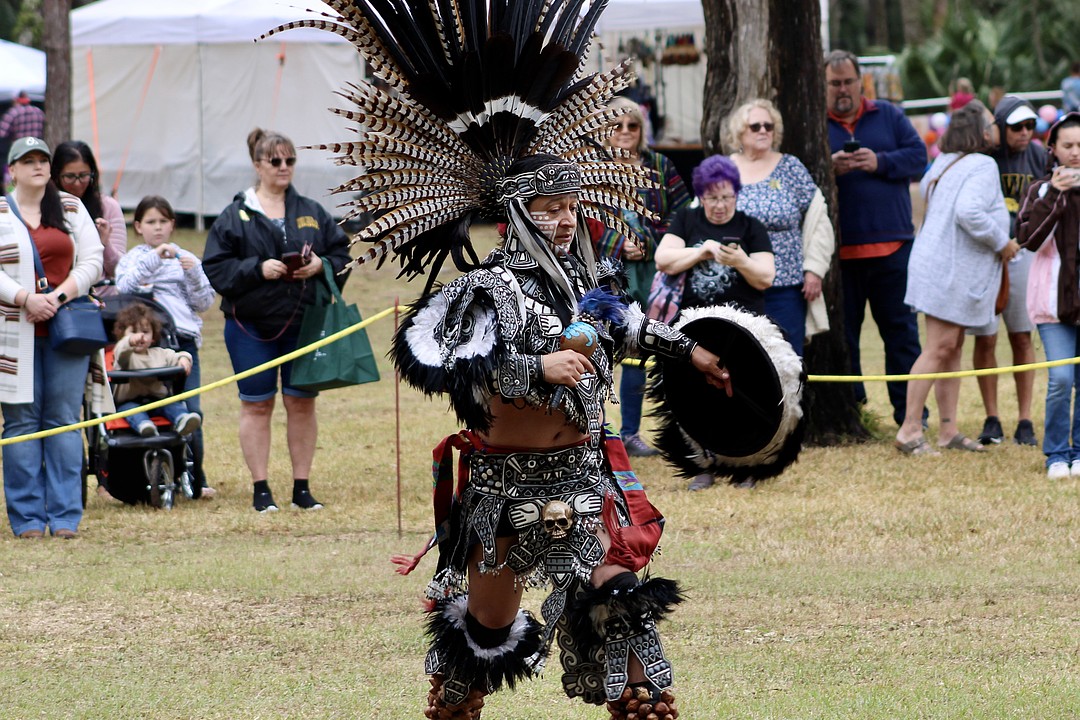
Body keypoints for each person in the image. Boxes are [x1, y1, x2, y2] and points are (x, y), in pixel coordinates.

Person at [394, 153, 731, 718]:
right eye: (551, 209)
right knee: (484, 635)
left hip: (583, 480)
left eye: (572, 207)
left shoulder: (588, 281)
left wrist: (690, 351)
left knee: (624, 615)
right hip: (503, 494)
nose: (567, 219)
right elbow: (440, 363)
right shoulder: (484, 290)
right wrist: (536, 369)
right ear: (519, 215)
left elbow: (629, 327)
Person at [203, 128, 350, 513]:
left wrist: (322, 265)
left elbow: (342, 253)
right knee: (257, 404)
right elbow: (215, 267)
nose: (284, 168)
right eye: (276, 161)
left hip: (304, 323)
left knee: (301, 403)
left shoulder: (311, 211)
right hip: (250, 327)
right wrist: (256, 269)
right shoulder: (235, 216)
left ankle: (302, 488)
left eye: (290, 161)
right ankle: (261, 489)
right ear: (258, 165)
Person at [894, 101, 1016, 456]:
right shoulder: (983, 164)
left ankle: (948, 431)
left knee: (951, 349)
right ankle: (910, 429)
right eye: (992, 123)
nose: (997, 128)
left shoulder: (944, 162)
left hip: (937, 264)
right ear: (980, 131)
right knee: (939, 348)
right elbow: (969, 213)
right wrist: (1002, 241)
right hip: (949, 269)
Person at [0, 137, 103, 539]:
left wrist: (58, 297)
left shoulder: (71, 207)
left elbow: (94, 259)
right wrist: (25, 298)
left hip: (66, 331)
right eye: (28, 161)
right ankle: (26, 518)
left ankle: (64, 516)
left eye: (43, 159)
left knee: (62, 420)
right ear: (12, 170)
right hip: (13, 330)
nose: (38, 166)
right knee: (21, 424)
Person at [655, 155, 774, 490]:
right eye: (712, 198)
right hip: (696, 325)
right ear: (701, 196)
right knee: (693, 397)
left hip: (744, 327)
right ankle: (700, 466)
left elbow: (766, 277)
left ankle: (746, 466)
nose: (720, 205)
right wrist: (701, 251)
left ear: (736, 194)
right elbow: (664, 260)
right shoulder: (687, 219)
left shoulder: (751, 226)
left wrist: (741, 261)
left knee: (745, 396)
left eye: (726, 197)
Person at [826, 49, 928, 427]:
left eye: (848, 81)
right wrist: (828, 166)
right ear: (824, 86)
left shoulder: (889, 115)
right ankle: (854, 415)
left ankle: (911, 416)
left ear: (860, 81)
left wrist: (879, 162)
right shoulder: (815, 123)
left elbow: (919, 157)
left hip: (893, 249)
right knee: (845, 340)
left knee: (901, 338)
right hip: (840, 255)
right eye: (834, 83)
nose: (842, 90)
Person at [595, 96, 690, 457]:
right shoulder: (593, 168)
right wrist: (619, 244)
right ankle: (607, 434)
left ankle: (649, 432)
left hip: (658, 274)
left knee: (652, 345)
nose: (624, 133)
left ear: (642, 130)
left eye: (632, 126)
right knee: (606, 349)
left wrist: (648, 244)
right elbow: (583, 223)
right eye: (616, 126)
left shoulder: (660, 166)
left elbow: (684, 215)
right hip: (607, 275)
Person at [116, 195, 216, 496]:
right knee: (147, 402)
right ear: (138, 227)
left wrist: (194, 273)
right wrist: (154, 258)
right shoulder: (134, 258)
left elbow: (204, 302)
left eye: (163, 221)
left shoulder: (186, 259)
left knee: (190, 409)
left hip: (183, 342)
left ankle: (196, 478)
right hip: (144, 345)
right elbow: (124, 287)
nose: (157, 228)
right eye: (150, 222)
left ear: (172, 224)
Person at [726, 98, 833, 356]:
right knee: (740, 358)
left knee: (786, 359)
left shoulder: (790, 167)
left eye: (769, 126)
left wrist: (815, 269)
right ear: (740, 132)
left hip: (786, 285)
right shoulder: (725, 168)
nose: (763, 131)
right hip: (735, 285)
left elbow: (819, 220)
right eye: (755, 126)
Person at [969, 97, 1046, 446]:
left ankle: (1026, 420)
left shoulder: (1040, 156)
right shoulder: (985, 158)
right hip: (986, 256)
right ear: (999, 127)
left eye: (1030, 126)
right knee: (985, 338)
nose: (1025, 133)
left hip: (1025, 254)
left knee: (1021, 335)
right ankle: (992, 418)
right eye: (1017, 126)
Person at [1017, 112, 1080, 478]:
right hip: (1053, 305)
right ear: (1053, 149)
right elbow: (1029, 239)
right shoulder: (1039, 190)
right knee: (1061, 379)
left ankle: (1078, 449)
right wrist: (1057, 193)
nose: (1075, 153)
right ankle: (1057, 453)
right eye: (1068, 146)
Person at [111, 303, 201, 437]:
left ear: (153, 337)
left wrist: (183, 359)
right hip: (128, 402)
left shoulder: (159, 353)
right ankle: (145, 426)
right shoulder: (125, 356)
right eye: (134, 332)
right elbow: (120, 351)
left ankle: (183, 420)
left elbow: (176, 355)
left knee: (172, 405)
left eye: (145, 332)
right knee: (132, 411)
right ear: (123, 334)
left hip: (157, 400)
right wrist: (129, 341)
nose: (140, 336)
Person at [51, 141, 127, 295]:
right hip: (58, 296)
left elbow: (120, 270)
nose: (78, 183)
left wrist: (105, 244)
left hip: (103, 301)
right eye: (70, 177)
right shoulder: (46, 208)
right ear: (56, 176)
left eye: (84, 176)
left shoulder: (108, 207)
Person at [0, 91, 45, 183]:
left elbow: (2, 133)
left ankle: (11, 195)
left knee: (11, 177)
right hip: (37, 150)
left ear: (16, 100)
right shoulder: (38, 112)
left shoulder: (13, 113)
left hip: (18, 152)